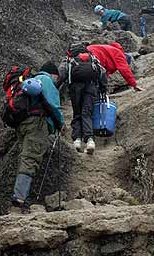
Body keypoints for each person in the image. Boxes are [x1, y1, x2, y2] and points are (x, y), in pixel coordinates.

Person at [12, 62, 65, 210]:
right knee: (30, 158)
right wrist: (60, 124)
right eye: (57, 77)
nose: (57, 80)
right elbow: (53, 105)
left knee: (25, 157)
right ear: (53, 74)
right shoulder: (47, 80)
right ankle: (20, 198)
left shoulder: (31, 81)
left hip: (22, 123)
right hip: (38, 124)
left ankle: (20, 195)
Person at [58, 44, 108, 155]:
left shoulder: (70, 60)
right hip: (91, 88)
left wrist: (55, 87)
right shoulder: (93, 59)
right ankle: (90, 140)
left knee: (77, 113)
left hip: (75, 89)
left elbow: (61, 75)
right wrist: (103, 88)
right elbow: (102, 73)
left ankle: (77, 140)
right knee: (87, 113)